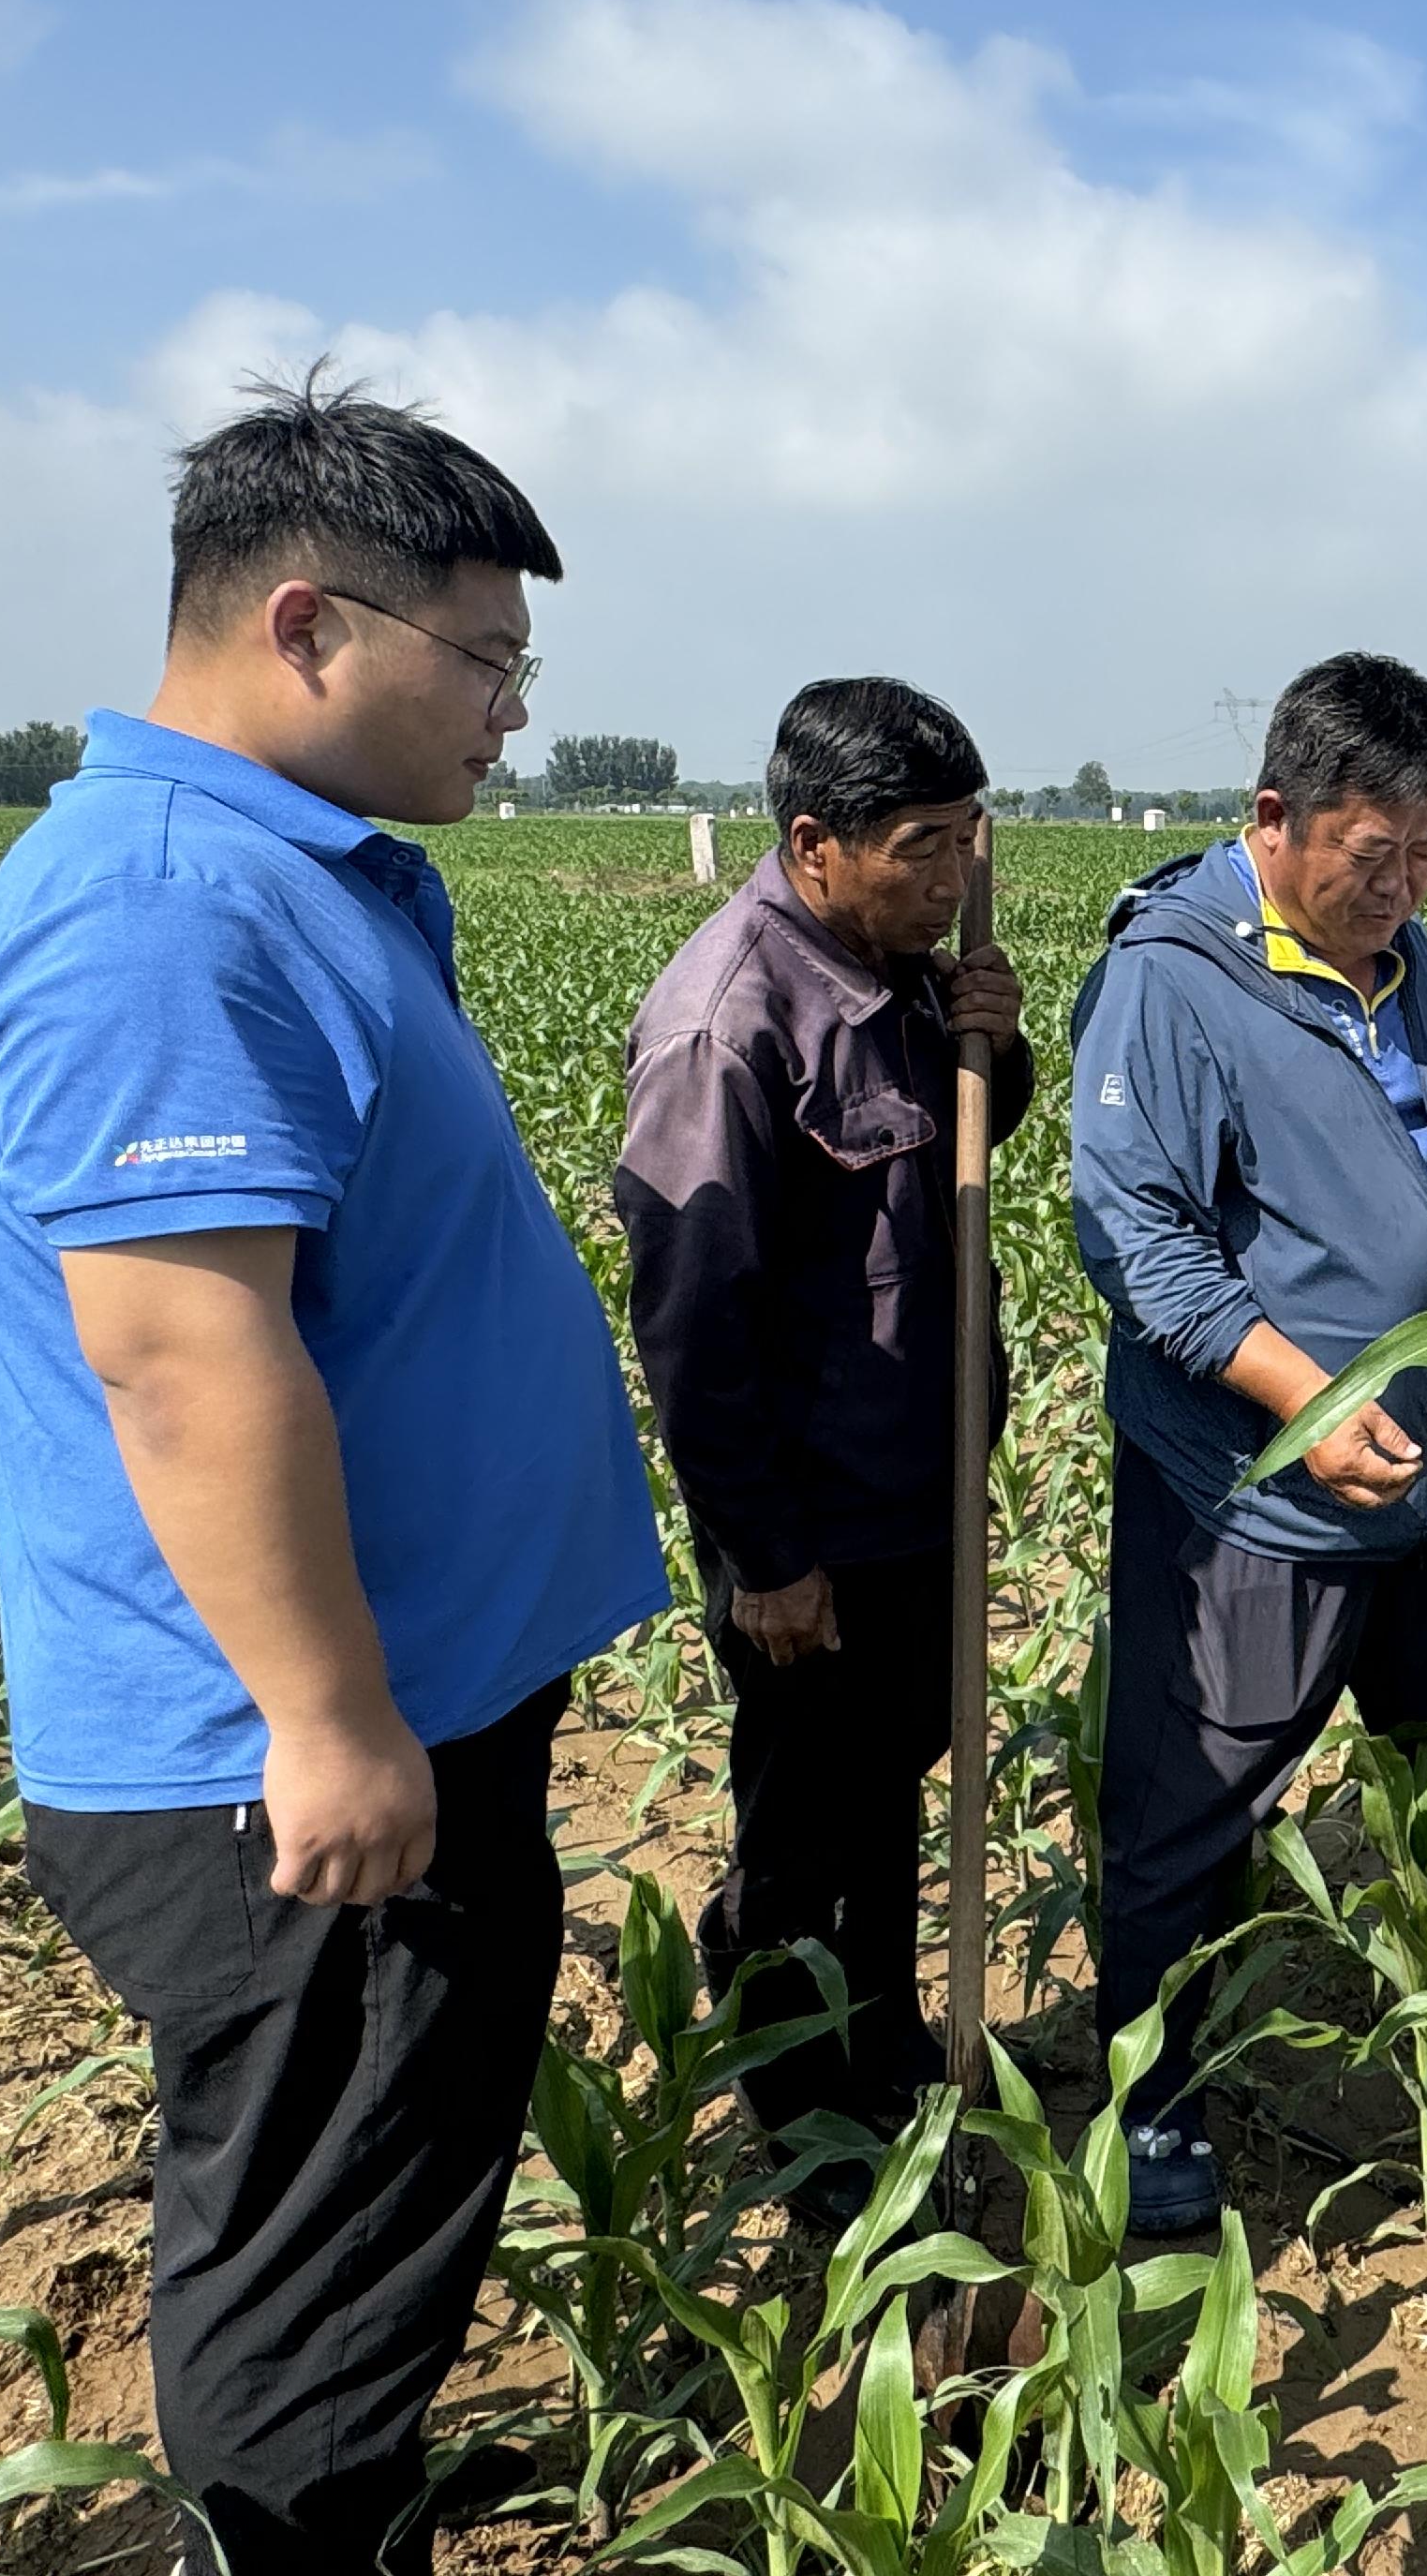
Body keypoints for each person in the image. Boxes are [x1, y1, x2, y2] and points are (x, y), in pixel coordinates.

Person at [0, 368, 665, 2573]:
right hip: (286, 1771)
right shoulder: (165, 903)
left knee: (352, 2219)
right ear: (306, 627)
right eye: (488, 661)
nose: (514, 715)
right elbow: (182, 1353)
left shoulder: (284, 874)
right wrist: (333, 1719)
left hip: (387, 1717)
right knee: (314, 2276)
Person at [1068, 654, 1427, 2236]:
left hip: (1425, 1484)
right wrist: (1310, 1414)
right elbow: (1144, 1247)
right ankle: (1151, 2104)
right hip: (1261, 1498)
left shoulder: (1407, 959)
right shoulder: (1174, 979)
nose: (1404, 888)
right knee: (1195, 1806)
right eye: (1373, 854)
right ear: (1275, 817)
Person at [614, 678, 1029, 2211]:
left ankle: (886, 2039)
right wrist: (769, 1560)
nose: (951, 879)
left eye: (965, 842)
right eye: (922, 848)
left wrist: (996, 1051)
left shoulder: (901, 970)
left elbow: (943, 1157)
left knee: (884, 1788)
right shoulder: (728, 1025)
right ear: (812, 844)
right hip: (816, 1528)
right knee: (809, 1833)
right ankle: (810, 2129)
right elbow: (693, 1326)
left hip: (918, 1489)